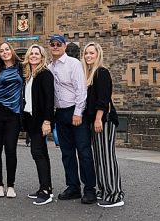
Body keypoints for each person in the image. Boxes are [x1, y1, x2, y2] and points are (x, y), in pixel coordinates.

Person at [46, 34, 94, 204]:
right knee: (67, 153)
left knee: (84, 151)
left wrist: (78, 112)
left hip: (75, 112)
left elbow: (81, 89)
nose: (55, 46)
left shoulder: (73, 64)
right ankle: (73, 187)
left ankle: (89, 189)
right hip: (60, 113)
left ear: (65, 46)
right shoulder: (49, 67)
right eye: (52, 44)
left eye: (59, 44)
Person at [83, 42, 124, 207]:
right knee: (99, 158)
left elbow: (104, 98)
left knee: (107, 158)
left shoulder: (102, 72)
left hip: (104, 121)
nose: (88, 56)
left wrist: (99, 118)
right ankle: (104, 190)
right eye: (86, 53)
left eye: (91, 53)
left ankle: (115, 195)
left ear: (98, 54)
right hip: (95, 121)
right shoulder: (90, 74)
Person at [0, 42, 23, 198]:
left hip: (13, 113)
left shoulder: (22, 67)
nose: (4, 52)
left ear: (12, 50)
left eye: (7, 49)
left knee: (10, 149)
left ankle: (11, 185)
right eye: (1, 51)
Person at [22, 44, 55, 205]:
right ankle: (45, 186)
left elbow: (50, 100)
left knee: (39, 153)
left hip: (40, 120)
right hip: (31, 119)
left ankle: (46, 191)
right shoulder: (29, 75)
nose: (34, 56)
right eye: (31, 53)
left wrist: (47, 121)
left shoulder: (45, 74)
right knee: (39, 153)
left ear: (42, 57)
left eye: (37, 54)